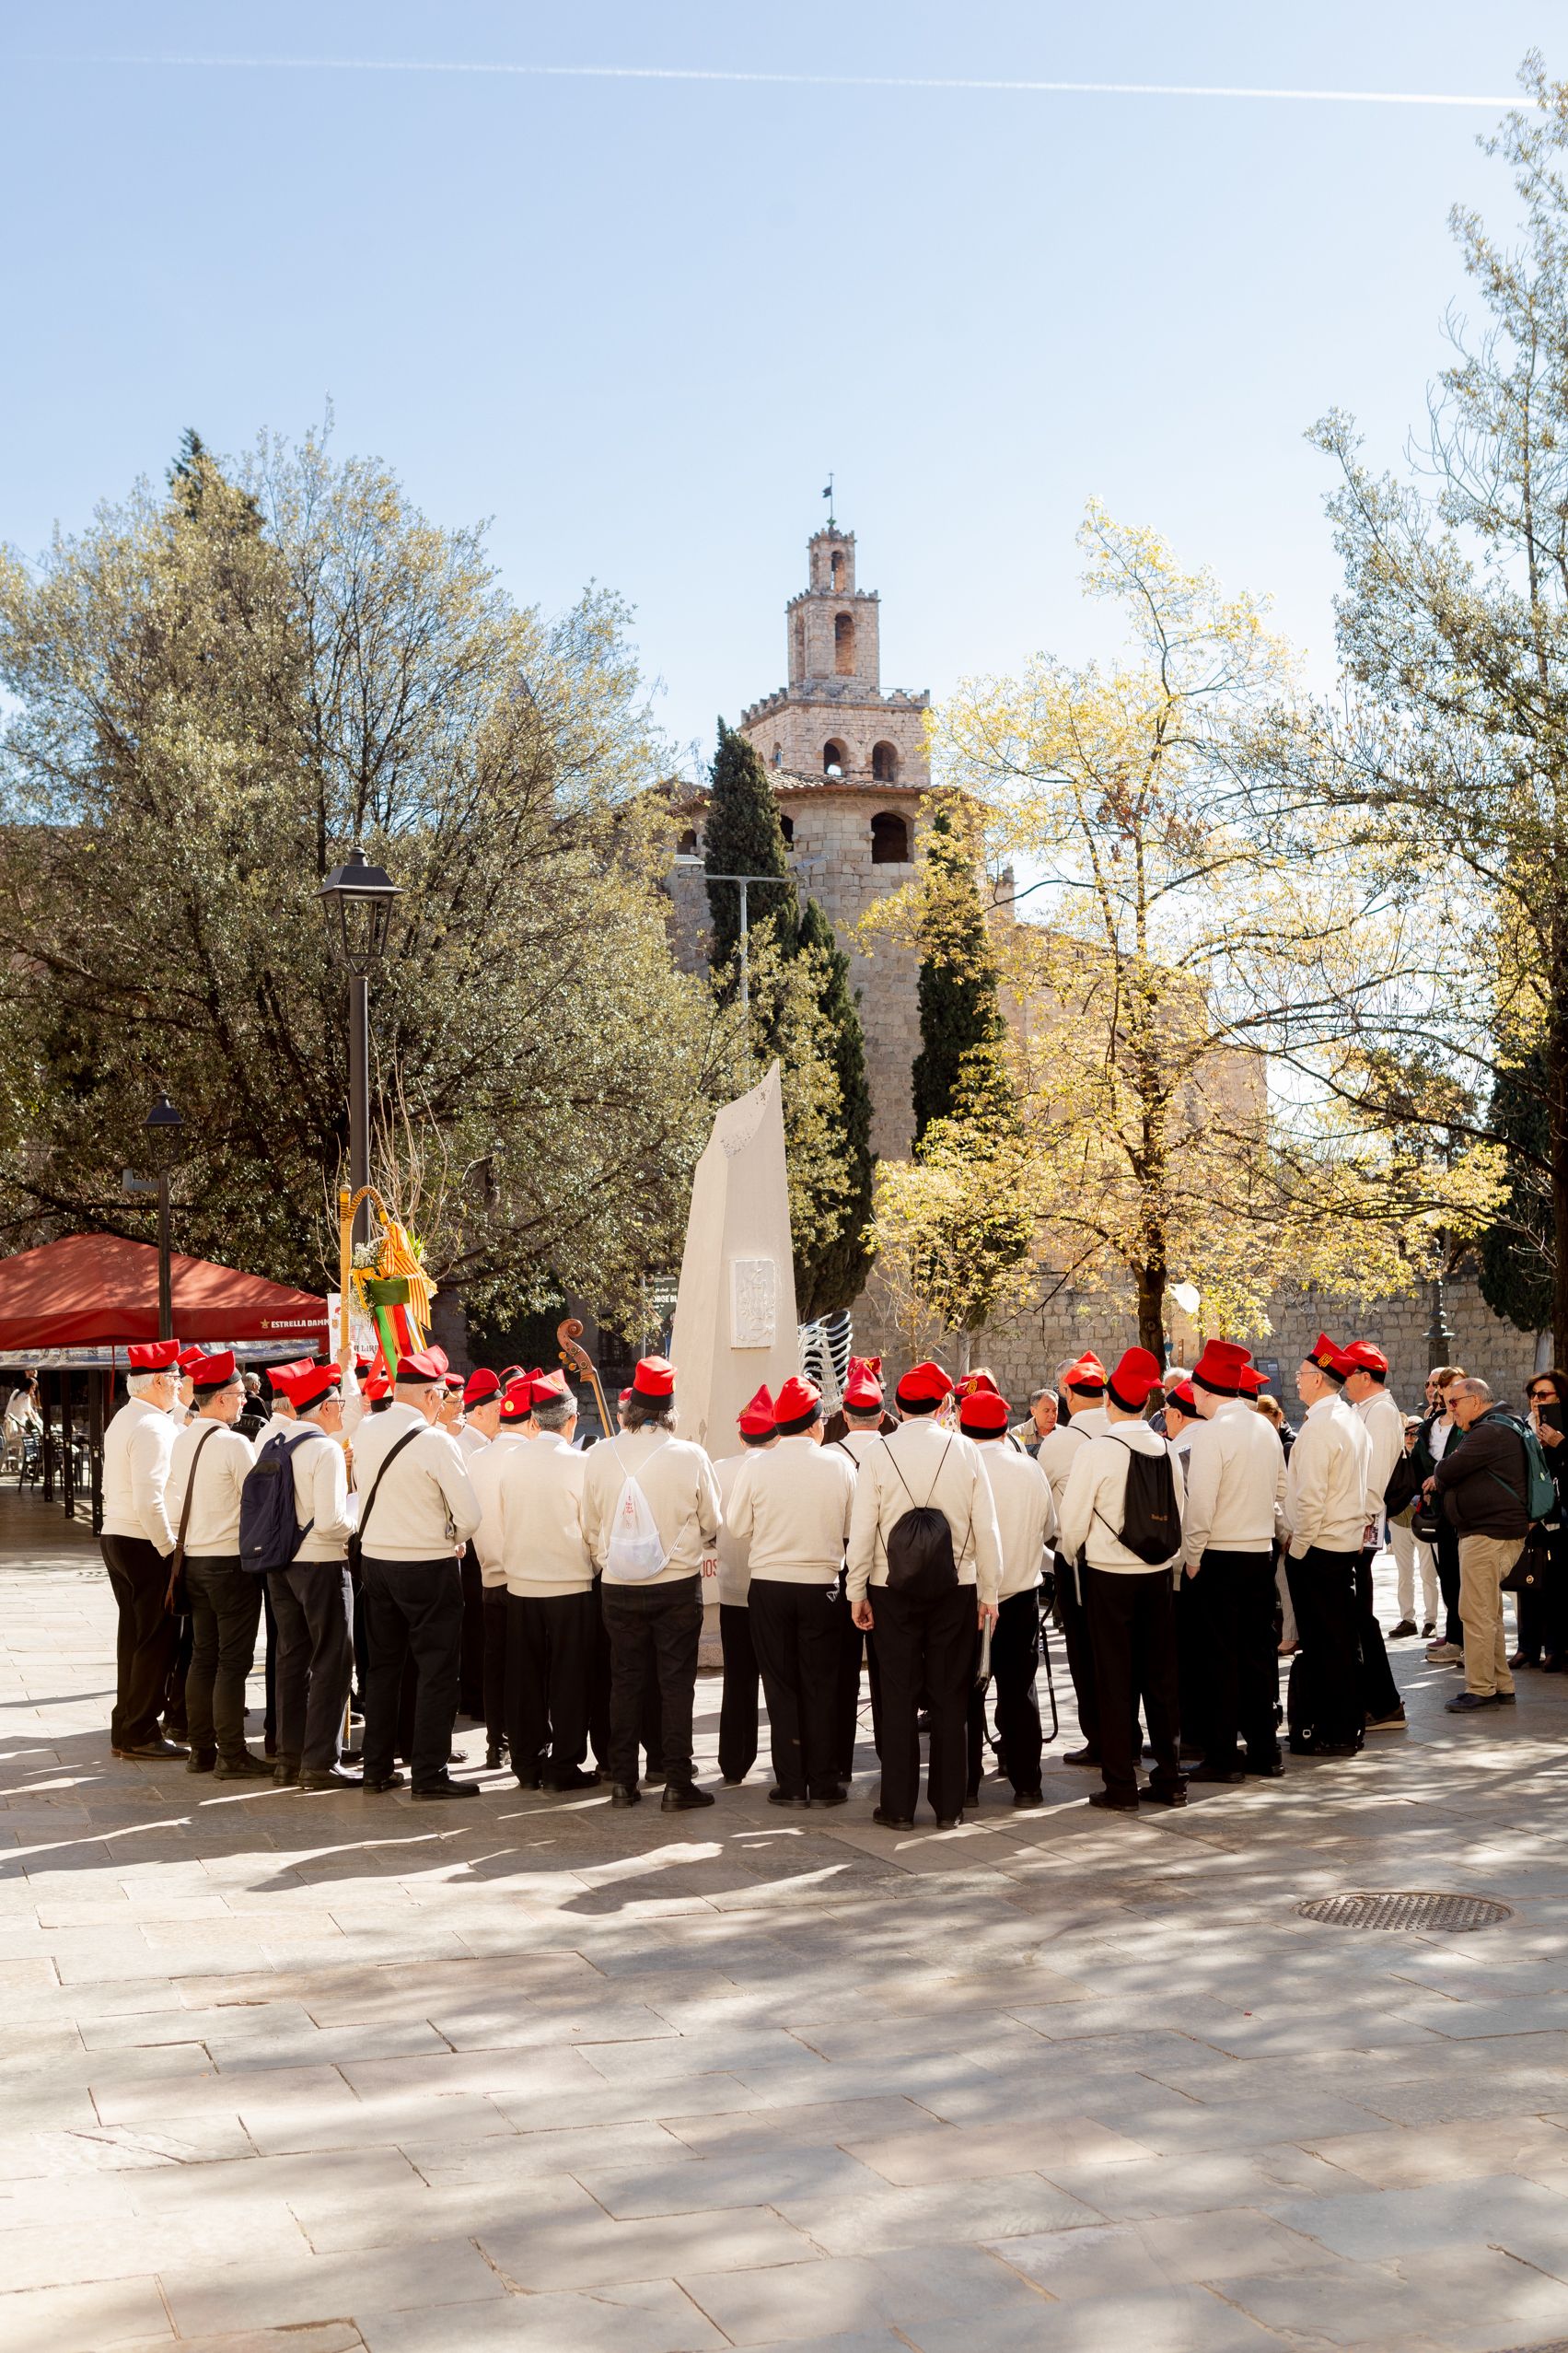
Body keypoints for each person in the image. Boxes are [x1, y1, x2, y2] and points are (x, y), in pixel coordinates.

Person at [845, 1359, 1003, 1831]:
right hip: (957, 1585)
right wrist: (989, 1593)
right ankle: (949, 1806)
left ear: (895, 1406)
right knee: (951, 1696)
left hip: (888, 1586)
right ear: (942, 1405)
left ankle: (897, 1806)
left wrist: (857, 1590)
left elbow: (862, 1527)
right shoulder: (966, 1451)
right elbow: (986, 1527)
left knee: (895, 1696)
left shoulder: (878, 1452)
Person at [578, 1355, 721, 1812]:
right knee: (676, 1683)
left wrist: (607, 1557)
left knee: (625, 1680)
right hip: (676, 1583)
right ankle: (678, 1781)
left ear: (632, 1409)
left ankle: (623, 1781)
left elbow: (589, 1523)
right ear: (669, 1412)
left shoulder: (600, 1453)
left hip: (618, 1584)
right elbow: (713, 1521)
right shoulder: (690, 1455)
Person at [1056, 1346, 1187, 1813]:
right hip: (1156, 1576)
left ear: (1110, 1399)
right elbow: (1180, 1512)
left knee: (1113, 1679)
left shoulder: (1096, 1449)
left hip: (1109, 1575)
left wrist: (1069, 1556)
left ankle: (1120, 1784)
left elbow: (1072, 1522)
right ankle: (1170, 1778)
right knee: (1160, 1678)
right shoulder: (1166, 1447)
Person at [353, 1346, 482, 1800]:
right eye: (442, 1394)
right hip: (426, 1562)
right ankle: (428, 1772)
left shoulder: (366, 1429)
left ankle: (376, 1768)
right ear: (430, 1395)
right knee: (437, 1669)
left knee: (383, 1669)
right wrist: (451, 1533)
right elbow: (469, 1514)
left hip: (376, 1560)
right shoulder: (436, 1441)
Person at [726, 1374, 855, 1810]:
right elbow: (852, 1529)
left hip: (770, 1586)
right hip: (821, 1586)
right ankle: (822, 1782)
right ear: (817, 1424)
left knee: (780, 1687)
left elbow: (738, 1526)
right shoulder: (837, 1464)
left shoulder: (757, 1466)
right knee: (821, 1685)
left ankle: (791, 1783)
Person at [1180, 1339, 1288, 1783]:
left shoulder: (1212, 1434)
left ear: (1205, 1392)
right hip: (1258, 1553)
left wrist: (1191, 1557)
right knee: (1258, 1656)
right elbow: (1282, 1489)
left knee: (1219, 1660)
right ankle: (1265, 1751)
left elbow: (1200, 1505)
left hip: (1220, 1557)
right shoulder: (1264, 1427)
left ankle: (1224, 1755)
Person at [496, 1374, 600, 1791]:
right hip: (569, 1584)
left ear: (535, 1421)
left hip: (522, 1584)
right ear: (571, 1421)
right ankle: (564, 1764)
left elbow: (504, 1517)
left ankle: (526, 1761)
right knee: (570, 1680)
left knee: (526, 1679)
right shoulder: (579, 1464)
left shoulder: (512, 1460)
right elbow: (592, 1527)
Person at [165, 1351, 266, 1779]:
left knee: (203, 1658)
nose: (244, 1401)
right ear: (221, 1398)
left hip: (192, 1561)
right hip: (229, 1563)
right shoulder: (233, 1443)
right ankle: (231, 1753)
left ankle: (201, 1750)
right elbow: (258, 1501)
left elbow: (170, 1504)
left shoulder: (182, 1438)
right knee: (231, 1662)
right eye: (240, 1395)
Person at [959, 1384, 1054, 1808]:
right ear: (1004, 1429)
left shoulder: (958, 1469)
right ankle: (1027, 1782)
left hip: (970, 1596)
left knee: (965, 1691)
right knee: (1019, 1690)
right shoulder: (1027, 1467)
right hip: (1019, 1593)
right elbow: (1049, 1525)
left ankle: (968, 1782)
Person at [268, 1360, 360, 1789]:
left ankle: (289, 1757)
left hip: (280, 1562)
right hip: (320, 1561)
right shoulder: (324, 1449)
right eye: (338, 1401)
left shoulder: (278, 1440)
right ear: (324, 1407)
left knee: (292, 1659)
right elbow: (330, 1522)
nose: (342, 1409)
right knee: (333, 1660)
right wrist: (357, 1519)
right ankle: (321, 1760)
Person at [1281, 1334, 1373, 1757]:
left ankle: (1334, 1731)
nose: (1297, 1382)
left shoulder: (1320, 1426)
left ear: (1318, 1380)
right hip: (1340, 1545)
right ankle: (1345, 1726)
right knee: (1339, 1642)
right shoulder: (1351, 1419)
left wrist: (1297, 1549)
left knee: (1325, 1646)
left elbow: (1311, 1498)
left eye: (1301, 1375)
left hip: (1318, 1549)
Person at [99, 1339, 187, 1760]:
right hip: (143, 1539)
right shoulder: (153, 1425)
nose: (180, 1383)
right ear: (157, 1381)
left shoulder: (127, 1417)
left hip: (120, 1535)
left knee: (134, 1635)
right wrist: (169, 1550)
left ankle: (127, 1726)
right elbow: (150, 1498)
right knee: (156, 1638)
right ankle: (141, 1730)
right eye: (174, 1377)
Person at [1427, 1375, 1528, 1714]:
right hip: (1491, 1532)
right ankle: (1500, 1684)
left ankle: (1481, 1688)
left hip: (1487, 1535)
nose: (1449, 1409)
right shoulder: (1501, 1425)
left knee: (1475, 1614)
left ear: (1475, 1400)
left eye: (1454, 1402)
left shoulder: (1489, 1431)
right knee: (1489, 1613)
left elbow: (1450, 1468)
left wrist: (1441, 1472)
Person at [1040, 1352, 1113, 1772]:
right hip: (1131, 1560)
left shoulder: (1061, 1441)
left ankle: (1099, 1737)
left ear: (1068, 1394)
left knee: (1084, 1651)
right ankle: (1127, 1732)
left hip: (1079, 1557)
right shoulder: (1121, 1429)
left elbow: (1043, 1500)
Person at [466, 1373, 534, 1768]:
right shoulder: (525, 1457)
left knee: (496, 1664)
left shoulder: (478, 1458)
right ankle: (528, 1740)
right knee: (528, 1667)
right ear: (530, 1422)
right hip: (527, 1579)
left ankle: (497, 1744)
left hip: (490, 1575)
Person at [826, 1355, 890, 1774]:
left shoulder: (829, 1455)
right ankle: (890, 1752)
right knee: (888, 1670)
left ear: (845, 1416)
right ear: (882, 1415)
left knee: (840, 1672)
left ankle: (839, 1761)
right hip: (888, 1565)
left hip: (843, 1565)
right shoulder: (893, 1449)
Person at [1341, 1341, 1407, 1730]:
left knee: (1361, 1618)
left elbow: (1374, 1479)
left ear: (1366, 1377)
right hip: (1353, 1528)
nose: (1344, 1380)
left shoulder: (1381, 1413)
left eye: (1349, 1373)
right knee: (1356, 1618)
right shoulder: (1362, 1409)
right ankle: (1374, 1701)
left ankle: (1383, 1704)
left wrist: (1357, 1523)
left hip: (1358, 1531)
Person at [714, 1386, 775, 1787]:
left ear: (741, 1436)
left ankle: (733, 1761)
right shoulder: (780, 1469)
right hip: (774, 1588)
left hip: (733, 1589)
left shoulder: (719, 1468)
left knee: (738, 1678)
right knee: (781, 1678)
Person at [455, 1368, 503, 1724]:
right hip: (471, 1547)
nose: (503, 1417)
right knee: (476, 1628)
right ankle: (475, 1697)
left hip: (481, 1546)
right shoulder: (463, 1446)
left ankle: (477, 1695)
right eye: (498, 1410)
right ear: (480, 1412)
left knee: (481, 1628)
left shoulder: (480, 1444)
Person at [1415, 1367, 1468, 1666]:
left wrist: (1440, 1479)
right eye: (1437, 1385)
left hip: (1463, 1512)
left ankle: (1463, 1640)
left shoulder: (1468, 1427)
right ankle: (1455, 1637)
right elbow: (1422, 1462)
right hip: (1437, 1512)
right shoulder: (1430, 1425)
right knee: (1446, 1575)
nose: (1442, 1391)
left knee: (1465, 1580)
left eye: (1447, 1385)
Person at [1519, 1368, 1568, 1672]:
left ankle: (1554, 1649)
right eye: (1532, 1395)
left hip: (1560, 1517)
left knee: (1557, 1585)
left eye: (1543, 1394)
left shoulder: (1561, 1429)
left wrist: (1560, 1443)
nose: (1536, 1401)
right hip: (1531, 1517)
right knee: (1527, 1581)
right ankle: (1528, 1647)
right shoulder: (1525, 1427)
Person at [1388, 1415, 1440, 1644]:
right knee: (1404, 1573)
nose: (1410, 1438)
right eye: (1406, 1434)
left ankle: (1431, 1619)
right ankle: (1407, 1618)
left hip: (1423, 1520)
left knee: (1429, 1572)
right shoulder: (1394, 1457)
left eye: (1414, 1434)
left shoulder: (1422, 1457)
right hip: (1400, 1520)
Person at [1012, 1384, 1060, 1458]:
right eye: (1046, 1411)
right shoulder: (1018, 1434)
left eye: (1054, 1410)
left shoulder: (1063, 1433)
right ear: (1033, 1411)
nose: (1052, 1415)